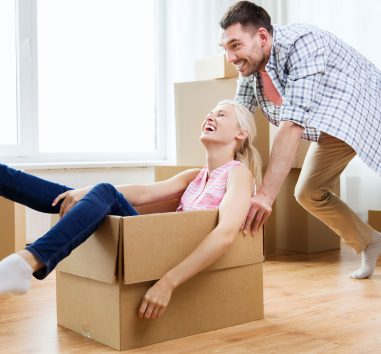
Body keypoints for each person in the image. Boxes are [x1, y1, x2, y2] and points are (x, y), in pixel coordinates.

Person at [0, 100, 261, 319]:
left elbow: (225, 234)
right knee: (83, 196)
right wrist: (84, 192)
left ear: (241, 133)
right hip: (155, 242)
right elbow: (145, 193)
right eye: (210, 112)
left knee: (104, 192)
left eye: (221, 114)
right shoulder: (194, 175)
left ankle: (26, 263)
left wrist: (168, 282)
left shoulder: (238, 175)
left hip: (167, 255)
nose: (211, 116)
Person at [219, 1, 381, 279]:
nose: (230, 57)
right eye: (225, 49)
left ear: (261, 36)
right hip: (335, 125)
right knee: (308, 192)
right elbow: (239, 118)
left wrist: (266, 195)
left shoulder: (305, 42)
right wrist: (218, 178)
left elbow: (292, 124)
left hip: (369, 110)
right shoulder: (251, 67)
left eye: (235, 45)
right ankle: (370, 241)